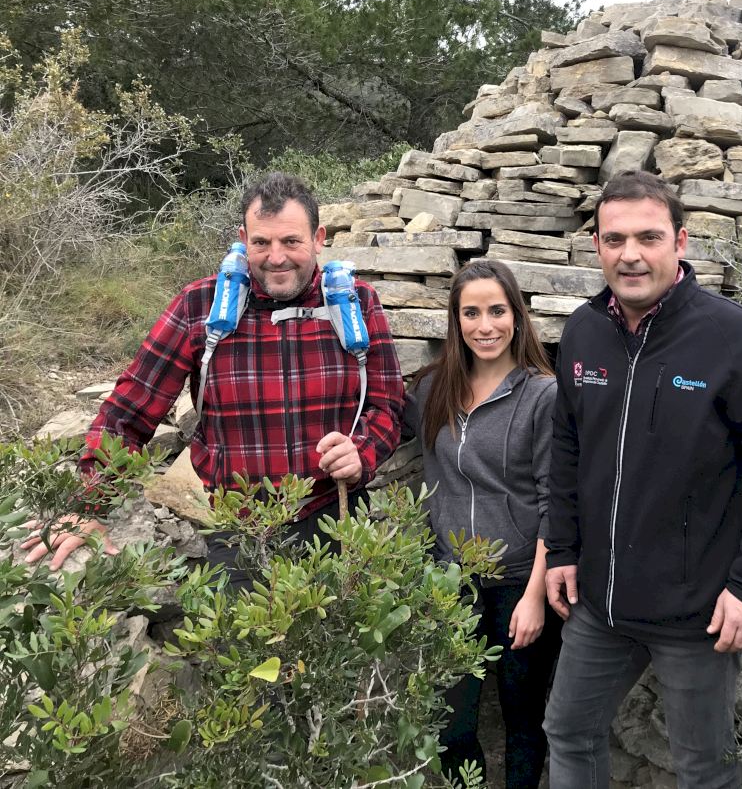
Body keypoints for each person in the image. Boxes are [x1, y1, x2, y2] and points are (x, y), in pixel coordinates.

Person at [542, 170, 742, 788]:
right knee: (569, 732)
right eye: (615, 239)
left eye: (649, 237)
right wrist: (561, 550)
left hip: (698, 612)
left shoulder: (732, 337)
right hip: (600, 602)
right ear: (596, 245)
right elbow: (567, 447)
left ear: (680, 241)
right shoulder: (584, 331)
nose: (630, 255)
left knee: (702, 768)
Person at [22, 172, 406, 574]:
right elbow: (129, 412)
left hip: (336, 515)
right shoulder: (199, 305)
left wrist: (361, 451)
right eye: (262, 242)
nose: (276, 257)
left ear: (318, 238)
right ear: (243, 238)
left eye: (291, 241)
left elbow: (387, 408)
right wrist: (87, 507)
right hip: (235, 525)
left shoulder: (356, 302)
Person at [405, 259, 561, 789]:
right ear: (456, 320)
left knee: (523, 720)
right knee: (453, 726)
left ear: (516, 316)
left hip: (519, 581)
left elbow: (555, 500)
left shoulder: (543, 395)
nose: (485, 325)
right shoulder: (432, 389)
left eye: (497, 311)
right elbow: (377, 420)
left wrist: (535, 596)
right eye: (471, 313)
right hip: (451, 582)